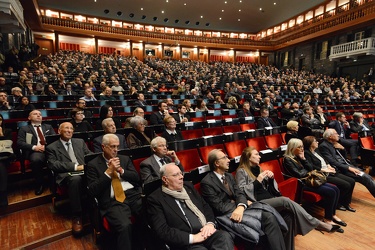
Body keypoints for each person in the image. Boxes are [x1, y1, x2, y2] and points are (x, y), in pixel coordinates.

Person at [236, 147, 340, 249]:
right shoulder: (241, 171)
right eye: (256, 154)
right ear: (249, 158)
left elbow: (269, 189)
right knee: (285, 201)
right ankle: (317, 223)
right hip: (258, 203)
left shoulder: (259, 168)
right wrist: (258, 180)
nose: (259, 156)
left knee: (289, 216)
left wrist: (271, 179)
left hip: (269, 198)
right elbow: (241, 191)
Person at [200, 149, 288, 250]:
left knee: (269, 216)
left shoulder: (228, 176)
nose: (228, 160)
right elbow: (219, 207)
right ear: (216, 163)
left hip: (240, 210)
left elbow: (239, 193)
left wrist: (241, 205)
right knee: (266, 219)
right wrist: (240, 206)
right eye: (224, 158)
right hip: (228, 216)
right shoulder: (207, 182)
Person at [147, 163, 234, 250]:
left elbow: (205, 206)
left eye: (181, 173)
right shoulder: (155, 199)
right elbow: (163, 230)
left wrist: (210, 224)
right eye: (175, 175)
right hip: (186, 241)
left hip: (204, 231)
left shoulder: (188, 187)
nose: (181, 177)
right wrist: (193, 238)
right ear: (165, 180)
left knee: (224, 236)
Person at [86, 134, 142, 250]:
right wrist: (109, 172)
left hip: (133, 194)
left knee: (151, 214)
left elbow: (136, 178)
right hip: (114, 199)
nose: (116, 150)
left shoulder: (124, 159)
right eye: (112, 146)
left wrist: (121, 170)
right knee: (125, 225)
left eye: (117, 146)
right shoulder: (93, 165)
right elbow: (93, 190)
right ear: (103, 147)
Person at [283, 139, 346, 230]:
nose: (302, 149)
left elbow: (310, 168)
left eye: (302, 147)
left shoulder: (299, 156)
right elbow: (299, 174)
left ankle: (332, 214)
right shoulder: (287, 159)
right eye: (299, 147)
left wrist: (304, 159)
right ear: (293, 148)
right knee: (331, 192)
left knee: (335, 189)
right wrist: (308, 171)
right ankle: (327, 219)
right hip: (302, 184)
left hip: (310, 180)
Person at [46, 122, 92, 234]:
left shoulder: (79, 142)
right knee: (75, 180)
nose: (69, 130)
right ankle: (77, 215)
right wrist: (75, 167)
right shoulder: (51, 147)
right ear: (59, 131)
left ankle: (97, 209)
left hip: (84, 171)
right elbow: (53, 165)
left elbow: (89, 155)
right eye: (66, 128)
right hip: (67, 175)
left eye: (71, 128)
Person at [303, 136, 356, 212]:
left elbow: (324, 159)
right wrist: (325, 169)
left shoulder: (316, 150)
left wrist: (329, 166)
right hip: (322, 174)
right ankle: (338, 203)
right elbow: (311, 167)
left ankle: (346, 203)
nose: (317, 142)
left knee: (352, 181)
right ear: (310, 144)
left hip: (329, 171)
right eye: (315, 141)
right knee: (346, 185)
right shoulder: (307, 153)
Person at [319, 129, 375, 198]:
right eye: (336, 133)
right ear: (330, 136)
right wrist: (349, 168)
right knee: (365, 178)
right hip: (341, 169)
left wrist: (343, 149)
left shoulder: (334, 144)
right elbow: (332, 162)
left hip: (346, 165)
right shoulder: (324, 146)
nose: (338, 135)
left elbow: (344, 158)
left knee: (368, 177)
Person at [17, 110, 56, 195]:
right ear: (29, 117)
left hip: (49, 150)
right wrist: (35, 147)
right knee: (36, 159)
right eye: (35, 114)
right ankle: (39, 184)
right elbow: (20, 143)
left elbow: (54, 139)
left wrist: (46, 147)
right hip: (35, 151)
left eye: (40, 114)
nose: (38, 116)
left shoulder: (48, 127)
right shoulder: (24, 129)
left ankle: (56, 182)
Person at [0, 114, 14, 207]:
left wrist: (1, 135)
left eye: (0, 120)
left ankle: (2, 194)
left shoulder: (7, 131)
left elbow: (7, 146)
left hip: (4, 157)